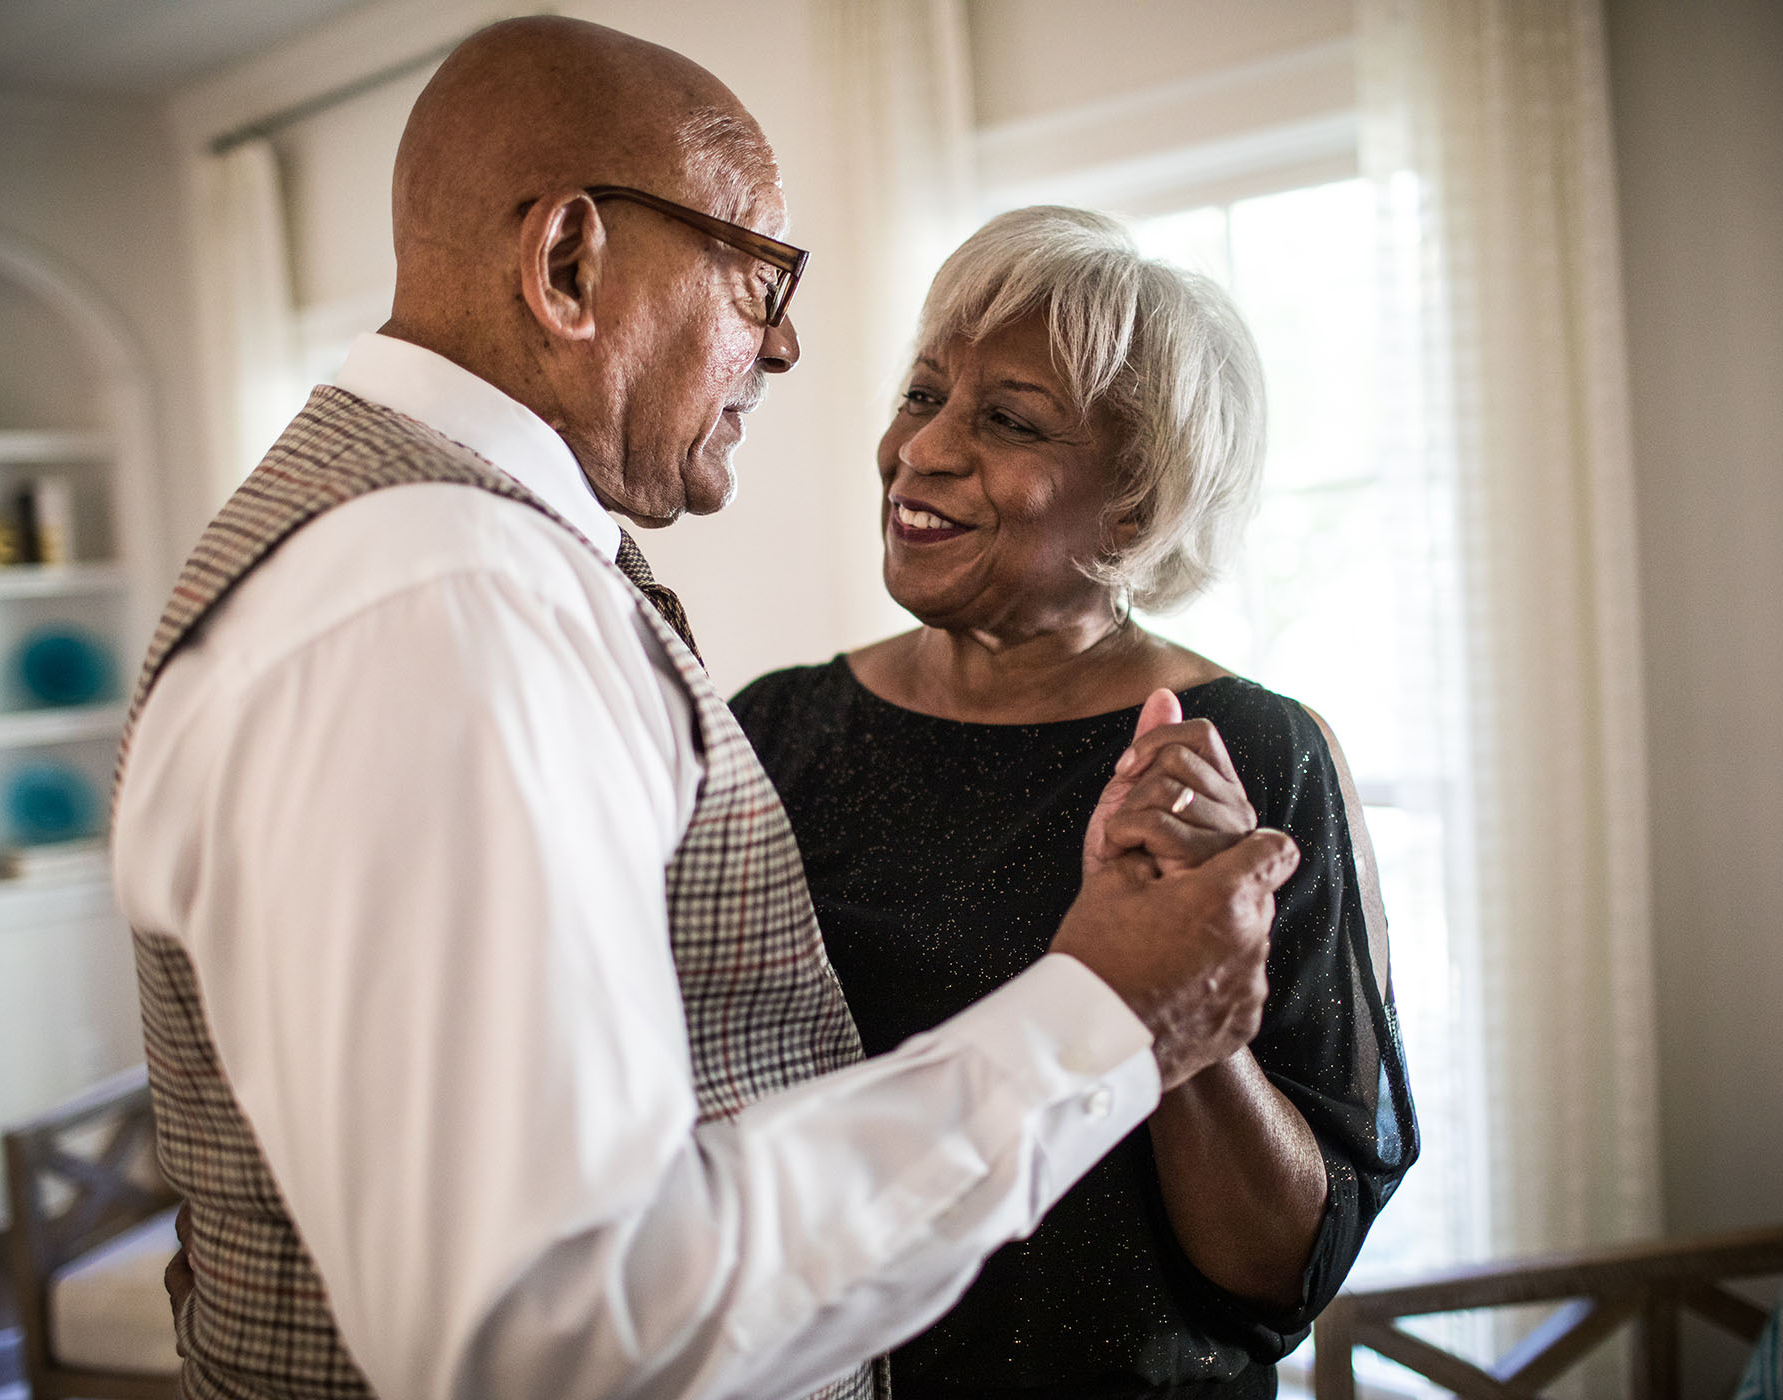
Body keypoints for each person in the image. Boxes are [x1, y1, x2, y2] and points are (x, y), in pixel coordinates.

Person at [111, 21, 1303, 1400]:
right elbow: (553, 1333)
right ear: (571, 265)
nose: (789, 347)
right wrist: (1103, 1019)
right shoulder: (441, 597)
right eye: (759, 277)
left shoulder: (441, 567)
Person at [731, 207, 1420, 1399]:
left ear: (1136, 506)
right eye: (921, 392)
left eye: (1006, 419)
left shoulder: (1259, 757)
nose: (923, 449)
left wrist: (1180, 995)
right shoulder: (772, 729)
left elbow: (1280, 1267)